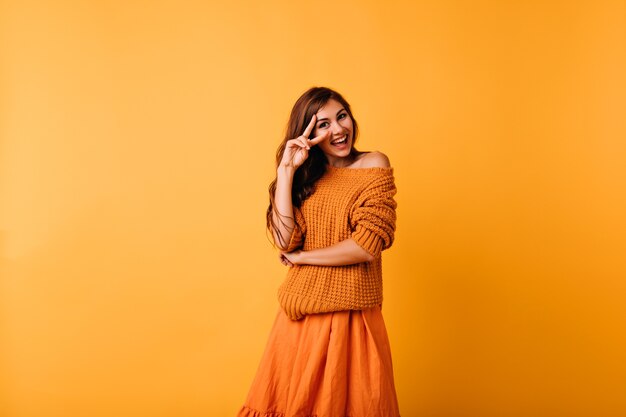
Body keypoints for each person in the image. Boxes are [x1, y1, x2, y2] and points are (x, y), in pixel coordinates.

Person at [236, 86, 401, 417]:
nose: (338, 130)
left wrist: (303, 258)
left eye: (341, 116)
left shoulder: (373, 165)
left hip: (351, 320)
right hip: (298, 322)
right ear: (308, 134)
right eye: (322, 124)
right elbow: (285, 239)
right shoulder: (306, 176)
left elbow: (366, 246)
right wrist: (286, 172)